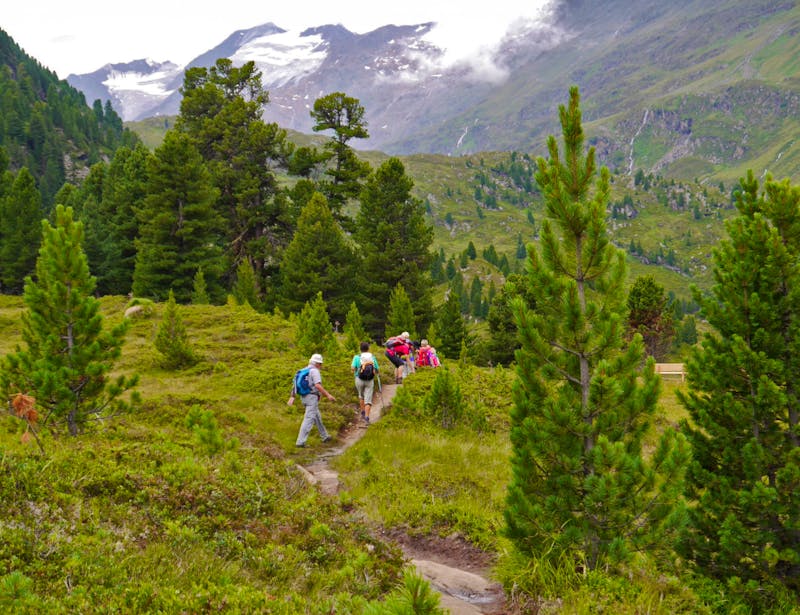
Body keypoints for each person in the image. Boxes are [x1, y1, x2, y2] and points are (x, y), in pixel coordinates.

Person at [288, 353, 336, 447]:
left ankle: (324, 436)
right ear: (317, 363)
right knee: (308, 419)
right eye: (320, 364)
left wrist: (292, 396)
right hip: (312, 398)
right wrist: (328, 395)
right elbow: (318, 385)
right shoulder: (314, 371)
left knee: (316, 416)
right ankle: (300, 442)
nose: (321, 366)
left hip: (304, 397)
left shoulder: (301, 371)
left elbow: (295, 384)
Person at [351, 341, 379, 425]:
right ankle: (367, 418)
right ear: (368, 348)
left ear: (360, 349)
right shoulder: (372, 357)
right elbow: (377, 369)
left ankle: (363, 413)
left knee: (361, 396)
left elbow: (352, 368)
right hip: (370, 380)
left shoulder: (357, 357)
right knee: (368, 400)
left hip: (359, 379)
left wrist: (356, 371)